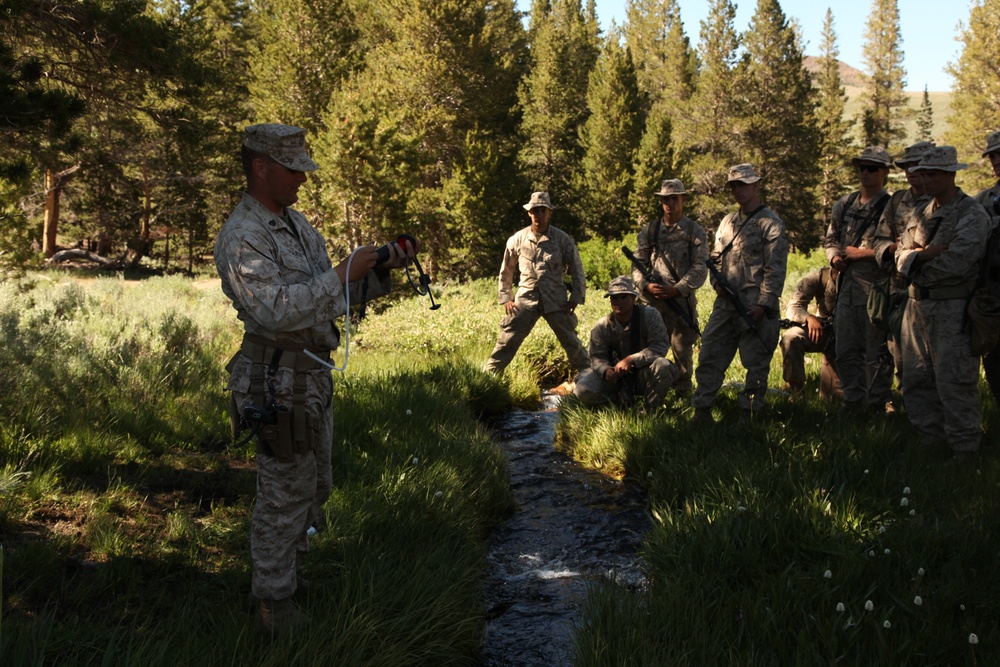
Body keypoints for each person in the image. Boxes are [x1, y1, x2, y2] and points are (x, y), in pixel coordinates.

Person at [214, 124, 414, 636]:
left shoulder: (298, 225)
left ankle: (290, 578)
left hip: (311, 377)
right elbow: (275, 309)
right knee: (283, 497)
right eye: (293, 168)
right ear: (261, 168)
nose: (303, 179)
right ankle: (274, 609)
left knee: (315, 486)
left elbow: (329, 297)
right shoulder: (243, 236)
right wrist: (342, 274)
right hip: (275, 379)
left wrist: (378, 271)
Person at [895, 146, 991, 458]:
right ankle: (929, 444)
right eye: (922, 173)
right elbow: (898, 255)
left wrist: (914, 262)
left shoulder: (971, 213)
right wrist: (923, 255)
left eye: (932, 173)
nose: (925, 179)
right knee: (916, 379)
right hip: (916, 307)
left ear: (951, 174)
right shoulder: (922, 211)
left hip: (952, 309)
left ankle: (964, 451)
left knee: (954, 381)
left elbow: (957, 264)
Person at [692, 164, 788, 422]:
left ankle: (749, 417)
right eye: (734, 185)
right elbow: (715, 258)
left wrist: (764, 304)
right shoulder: (727, 222)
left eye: (743, 184)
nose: (738, 190)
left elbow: (775, 269)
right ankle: (702, 411)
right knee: (710, 356)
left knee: (755, 365)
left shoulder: (771, 224)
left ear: (756, 185)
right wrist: (716, 283)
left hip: (755, 308)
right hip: (725, 306)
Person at [484, 192, 589, 375]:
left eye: (542, 210)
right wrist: (506, 297)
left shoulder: (562, 239)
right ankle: (488, 377)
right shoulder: (517, 239)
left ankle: (591, 377)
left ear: (549, 213)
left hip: (556, 301)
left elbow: (577, 270)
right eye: (534, 211)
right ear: (529, 213)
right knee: (507, 341)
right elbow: (506, 270)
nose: (538, 215)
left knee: (572, 342)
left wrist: (576, 298)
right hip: (525, 300)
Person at [823, 146, 894, 414]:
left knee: (876, 352)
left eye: (872, 168)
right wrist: (834, 258)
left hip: (875, 290)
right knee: (846, 350)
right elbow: (831, 239)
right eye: (861, 167)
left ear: (885, 172)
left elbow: (900, 246)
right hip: (845, 289)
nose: (865, 173)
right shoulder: (844, 204)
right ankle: (853, 402)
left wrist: (862, 254)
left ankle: (879, 404)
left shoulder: (891, 206)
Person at [631, 179, 708, 395]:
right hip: (653, 304)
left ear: (683, 199)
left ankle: (683, 396)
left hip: (681, 303)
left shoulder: (694, 231)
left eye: (675, 198)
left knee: (682, 352)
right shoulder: (650, 230)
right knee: (649, 351)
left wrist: (679, 288)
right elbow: (638, 263)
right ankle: (650, 394)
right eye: (666, 199)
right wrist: (645, 286)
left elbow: (701, 266)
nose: (670, 203)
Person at [872, 141, 936, 393]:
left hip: (932, 292)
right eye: (907, 165)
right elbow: (879, 239)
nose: (911, 171)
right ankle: (910, 416)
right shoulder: (898, 200)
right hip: (898, 290)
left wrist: (920, 253)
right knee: (900, 356)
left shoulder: (941, 200)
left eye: (917, 165)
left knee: (934, 361)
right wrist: (895, 250)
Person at [574, 276, 679, 409]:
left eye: (623, 297)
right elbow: (596, 357)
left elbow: (660, 346)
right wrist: (606, 371)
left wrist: (631, 360)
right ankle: (618, 403)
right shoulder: (602, 326)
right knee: (582, 389)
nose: (619, 302)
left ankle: (652, 411)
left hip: (644, 373)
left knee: (664, 366)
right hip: (615, 378)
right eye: (615, 298)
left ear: (633, 298)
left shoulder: (650, 315)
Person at [779, 267, 841, 399]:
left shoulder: (862, 277)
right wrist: (808, 318)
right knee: (791, 338)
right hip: (824, 331)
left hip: (852, 334)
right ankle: (796, 393)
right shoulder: (819, 277)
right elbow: (794, 306)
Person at [974, 130, 1000, 402]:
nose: (997, 160)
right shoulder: (984, 199)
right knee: (993, 359)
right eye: (993, 155)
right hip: (992, 291)